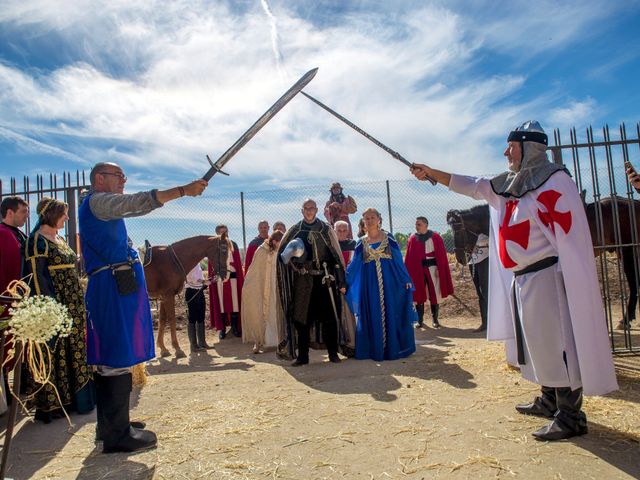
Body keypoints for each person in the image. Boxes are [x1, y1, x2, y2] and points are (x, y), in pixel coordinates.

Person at [410, 120, 618, 441]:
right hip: (523, 278)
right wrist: (431, 173)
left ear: (529, 147)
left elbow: (566, 230)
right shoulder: (510, 184)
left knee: (556, 343)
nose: (506, 152)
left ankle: (571, 415)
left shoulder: (554, 181)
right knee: (536, 344)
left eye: (512, 145)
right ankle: (549, 399)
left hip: (548, 274)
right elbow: (473, 184)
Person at [79, 161, 207, 453]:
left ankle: (111, 425)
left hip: (115, 286)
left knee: (114, 355)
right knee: (116, 355)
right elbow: (137, 203)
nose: (124, 180)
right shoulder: (99, 202)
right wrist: (183, 191)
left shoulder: (98, 203)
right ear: (100, 178)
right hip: (112, 287)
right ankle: (117, 436)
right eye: (118, 176)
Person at [22, 197, 96, 423]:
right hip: (56, 306)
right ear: (52, 214)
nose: (67, 217)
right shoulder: (36, 242)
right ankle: (54, 405)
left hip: (73, 304)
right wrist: (52, 308)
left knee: (75, 350)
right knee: (57, 353)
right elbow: (37, 278)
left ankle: (78, 400)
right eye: (63, 213)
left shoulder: (61, 240)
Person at [277, 199, 355, 366]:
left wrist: (341, 280)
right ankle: (303, 357)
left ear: (317, 209)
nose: (309, 210)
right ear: (302, 210)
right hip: (303, 281)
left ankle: (333, 353)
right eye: (306, 208)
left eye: (312, 208)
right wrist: (292, 260)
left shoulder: (325, 229)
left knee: (329, 318)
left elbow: (336, 255)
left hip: (324, 280)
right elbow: (282, 257)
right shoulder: (295, 230)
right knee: (301, 319)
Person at [346, 208, 416, 361]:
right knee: (373, 311)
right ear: (363, 222)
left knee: (390, 310)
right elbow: (354, 265)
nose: (369, 220)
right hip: (369, 284)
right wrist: (344, 281)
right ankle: (374, 349)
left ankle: (391, 349)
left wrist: (405, 279)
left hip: (389, 281)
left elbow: (398, 259)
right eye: (366, 218)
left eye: (372, 217)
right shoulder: (361, 242)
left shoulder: (388, 238)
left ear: (379, 219)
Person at [0, 196, 29, 412]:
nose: (26, 216)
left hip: (18, 300)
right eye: (23, 212)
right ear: (10, 212)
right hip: (6, 301)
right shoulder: (3, 234)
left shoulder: (17, 234)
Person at [404, 217, 454, 328]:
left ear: (426, 225)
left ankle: (435, 320)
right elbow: (409, 258)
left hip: (432, 268)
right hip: (418, 270)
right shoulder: (412, 238)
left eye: (419, 224)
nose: (416, 226)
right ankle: (420, 321)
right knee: (418, 294)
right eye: (416, 224)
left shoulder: (435, 237)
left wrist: (439, 269)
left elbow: (441, 256)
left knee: (434, 293)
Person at [241, 230, 284, 353]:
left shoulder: (279, 251)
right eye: (280, 243)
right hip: (263, 287)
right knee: (260, 312)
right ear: (275, 241)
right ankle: (258, 342)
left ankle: (278, 341)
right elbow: (254, 271)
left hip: (277, 287)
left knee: (276, 313)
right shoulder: (261, 250)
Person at [209, 224, 244, 339]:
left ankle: (234, 328)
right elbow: (211, 265)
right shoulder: (213, 245)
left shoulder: (233, 244)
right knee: (222, 305)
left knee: (235, 304)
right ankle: (222, 329)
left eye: (226, 232)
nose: (224, 234)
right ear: (217, 233)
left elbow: (237, 264)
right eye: (221, 232)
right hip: (220, 280)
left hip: (233, 279)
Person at [184, 263, 212, 352]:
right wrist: (203, 281)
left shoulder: (197, 263)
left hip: (199, 291)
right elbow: (190, 278)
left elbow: (199, 278)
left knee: (201, 317)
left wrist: (205, 282)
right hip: (191, 291)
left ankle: (202, 342)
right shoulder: (188, 262)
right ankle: (193, 345)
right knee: (192, 318)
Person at [469, 233, 489, 332]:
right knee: (479, 292)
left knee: (485, 291)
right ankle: (485, 322)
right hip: (474, 258)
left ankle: (492, 322)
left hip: (486, 256)